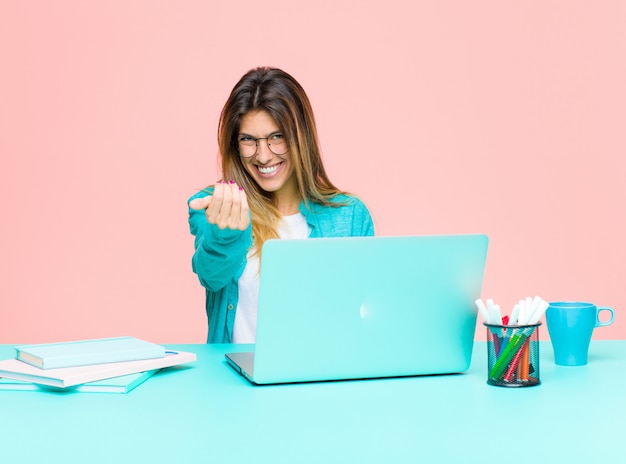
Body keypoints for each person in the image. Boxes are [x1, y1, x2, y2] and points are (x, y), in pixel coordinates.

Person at [188, 67, 374, 343]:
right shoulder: (218, 205)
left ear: (301, 137)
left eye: (277, 137)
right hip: (234, 383)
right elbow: (211, 276)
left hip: (320, 380)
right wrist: (226, 235)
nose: (263, 156)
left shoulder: (349, 215)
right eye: (248, 140)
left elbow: (364, 311)